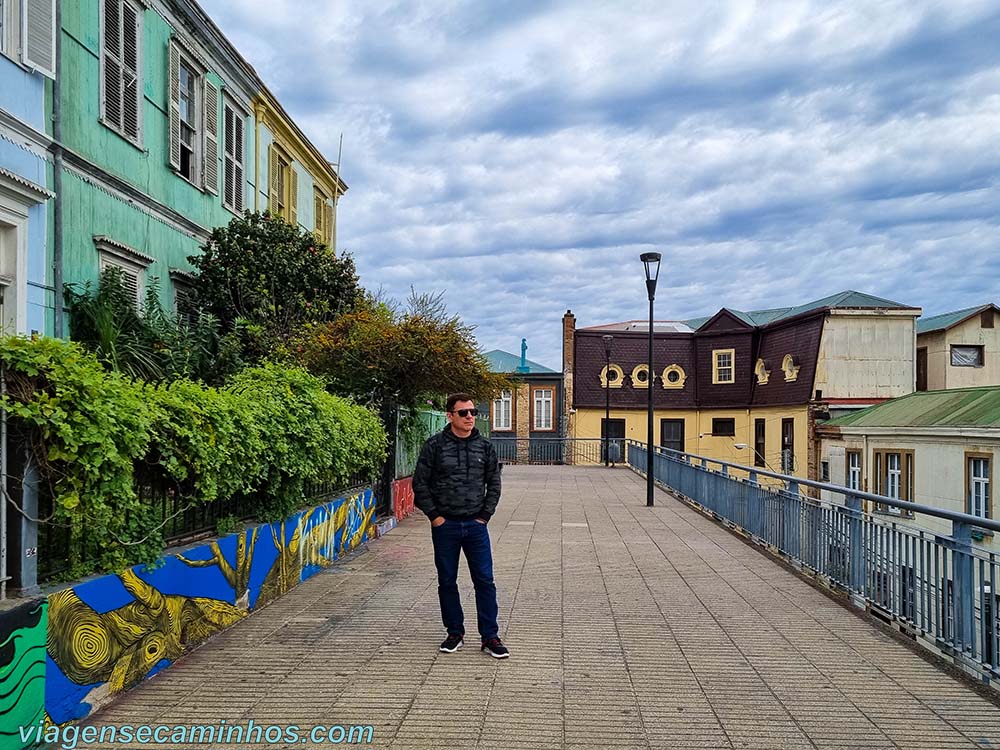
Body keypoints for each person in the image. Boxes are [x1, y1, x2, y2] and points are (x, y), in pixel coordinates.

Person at [412, 393, 508, 658]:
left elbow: (494, 483)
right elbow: (420, 484)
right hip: (446, 526)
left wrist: (484, 516)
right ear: (450, 415)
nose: (470, 417)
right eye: (464, 413)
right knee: (447, 581)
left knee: (485, 581)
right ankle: (454, 632)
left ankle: (490, 637)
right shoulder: (434, 446)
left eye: (473, 412)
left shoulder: (485, 447)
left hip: (476, 526)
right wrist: (435, 517)